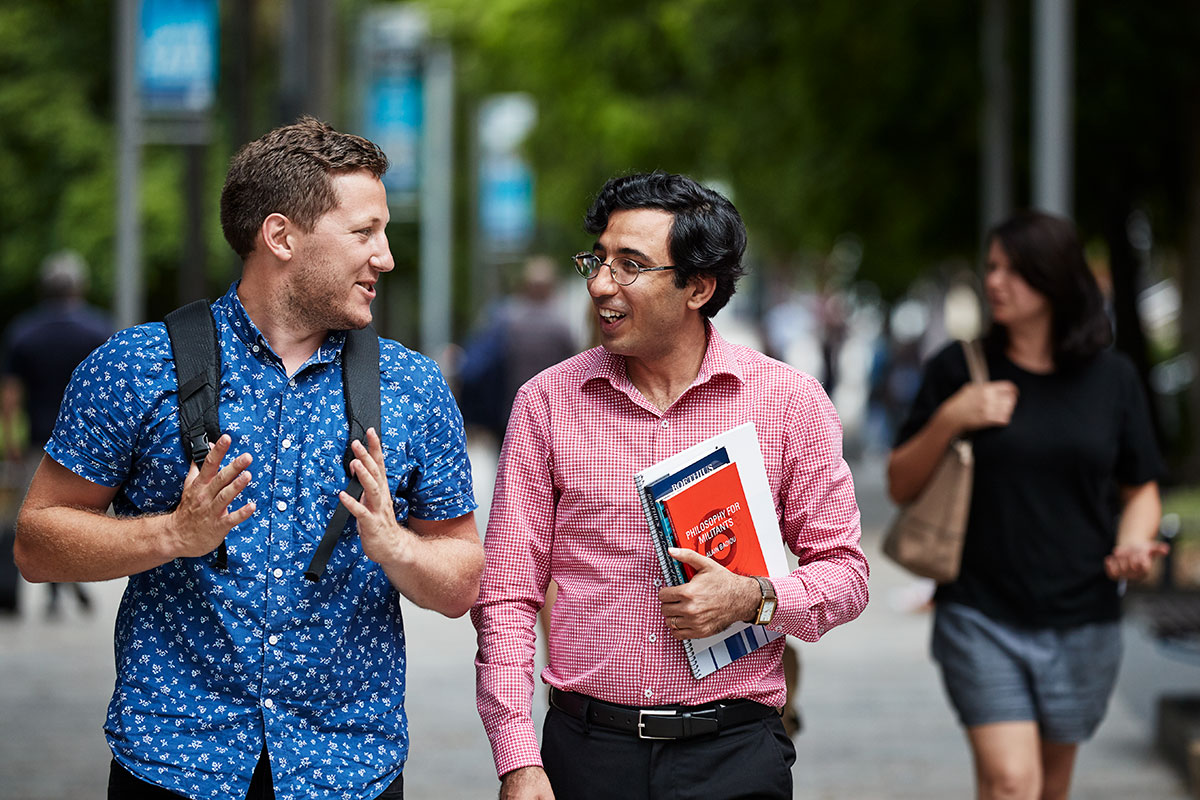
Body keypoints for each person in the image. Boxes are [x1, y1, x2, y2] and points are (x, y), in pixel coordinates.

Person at [13, 117, 483, 799]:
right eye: (363, 233)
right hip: (174, 765)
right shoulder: (136, 367)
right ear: (281, 236)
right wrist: (172, 534)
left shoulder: (411, 388)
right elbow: (35, 544)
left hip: (349, 771)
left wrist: (398, 550)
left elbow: (464, 578)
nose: (385, 257)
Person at [472, 172, 869, 800]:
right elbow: (507, 597)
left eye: (630, 266)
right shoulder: (546, 403)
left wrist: (752, 598)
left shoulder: (787, 402)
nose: (602, 285)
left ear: (698, 287)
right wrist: (518, 758)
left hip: (735, 753)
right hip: (586, 753)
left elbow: (845, 576)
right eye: (597, 262)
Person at [887, 210, 1165, 800]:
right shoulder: (958, 368)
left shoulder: (1112, 379)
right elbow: (900, 483)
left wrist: (1133, 545)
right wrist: (952, 417)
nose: (995, 281)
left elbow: (1139, 488)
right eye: (991, 267)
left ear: (1056, 278)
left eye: (1014, 269)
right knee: (1013, 782)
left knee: (1050, 787)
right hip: (979, 612)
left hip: (1084, 617)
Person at [1, 250, 113, 615]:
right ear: (79, 286)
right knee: (76, 522)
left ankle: (13, 596)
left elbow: (10, 398)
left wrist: (12, 443)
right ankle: (68, 586)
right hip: (88, 446)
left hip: (38, 441)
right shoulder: (99, 329)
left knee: (28, 519)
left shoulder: (23, 331)